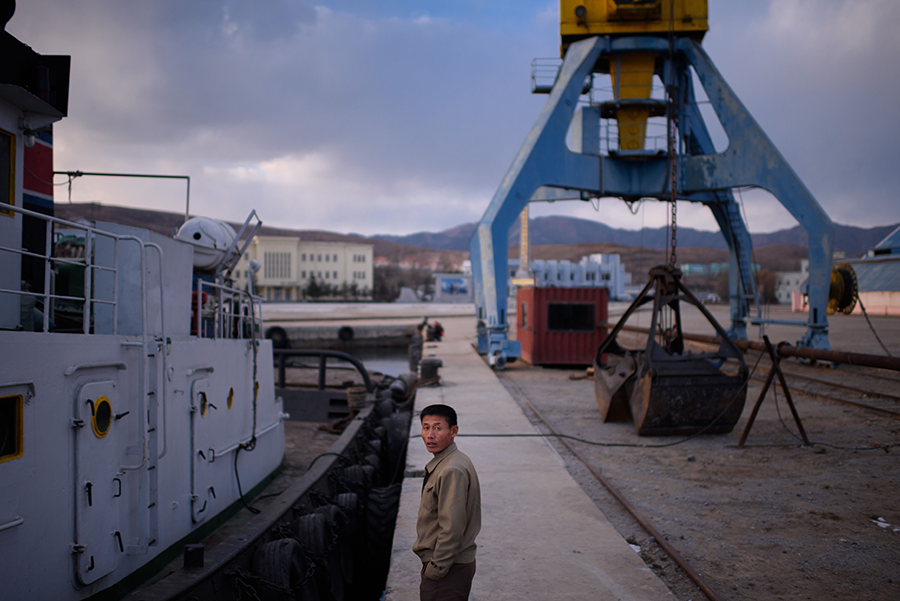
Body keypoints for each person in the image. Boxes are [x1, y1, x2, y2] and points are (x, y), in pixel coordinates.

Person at [413, 404, 482, 601]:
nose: (430, 435)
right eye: (426, 427)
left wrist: (436, 569)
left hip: (448, 568)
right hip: (449, 564)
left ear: (454, 431)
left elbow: (452, 528)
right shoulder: (453, 460)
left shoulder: (451, 469)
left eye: (437, 428)